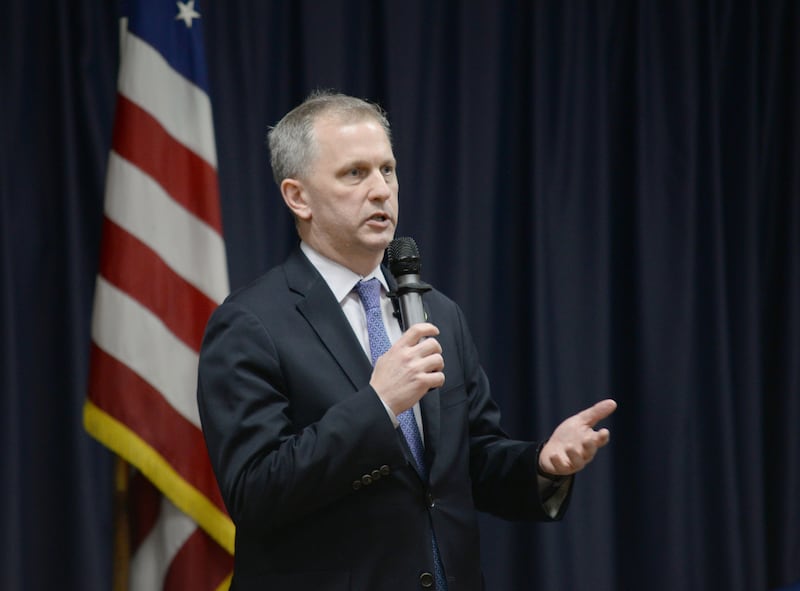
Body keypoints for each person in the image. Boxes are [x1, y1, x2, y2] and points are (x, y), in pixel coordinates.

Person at [197, 90, 617, 591]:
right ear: (298, 196)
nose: (381, 191)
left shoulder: (436, 310)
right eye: (355, 173)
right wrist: (379, 405)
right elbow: (256, 492)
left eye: (387, 170)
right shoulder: (250, 323)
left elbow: (470, 461)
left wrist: (542, 464)